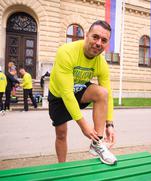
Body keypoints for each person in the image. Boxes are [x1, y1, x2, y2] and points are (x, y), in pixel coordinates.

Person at [48, 20, 117, 165]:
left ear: (107, 44)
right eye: (95, 37)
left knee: (102, 93)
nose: (98, 43)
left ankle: (97, 143)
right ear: (86, 35)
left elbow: (108, 95)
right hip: (59, 94)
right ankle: (62, 167)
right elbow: (66, 93)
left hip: (79, 89)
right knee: (61, 134)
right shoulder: (66, 52)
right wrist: (84, 125)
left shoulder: (102, 63)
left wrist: (109, 124)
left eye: (104, 40)